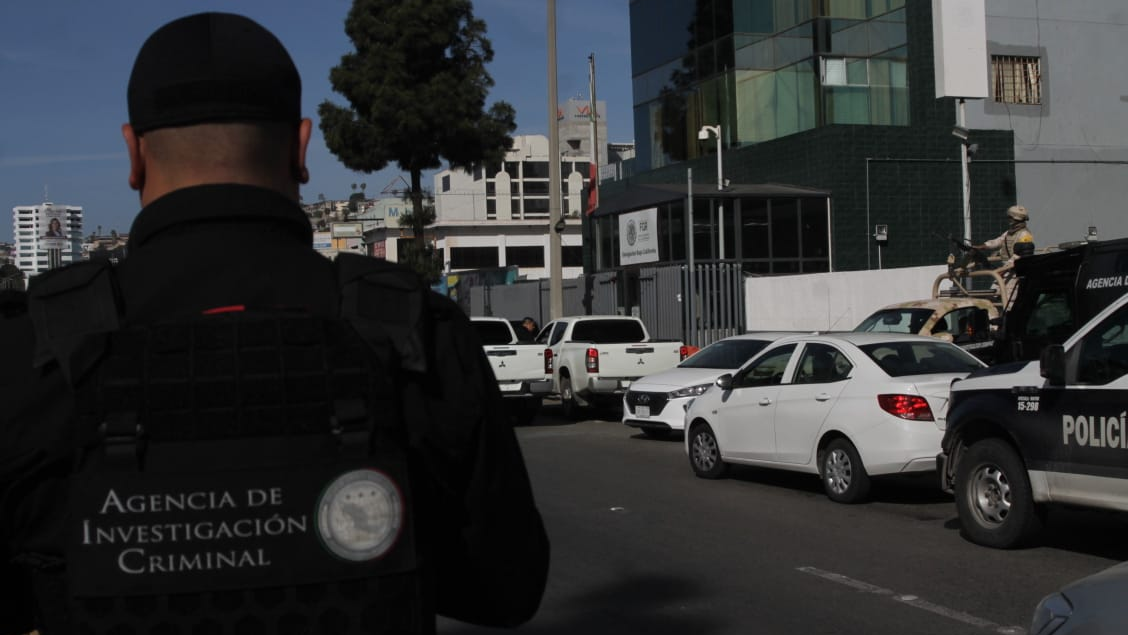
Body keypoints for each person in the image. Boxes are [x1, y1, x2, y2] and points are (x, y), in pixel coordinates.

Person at [0, 12, 547, 634]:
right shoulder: (415, 330)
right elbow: (507, 588)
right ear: (301, 147)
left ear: (133, 154)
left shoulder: (33, 350)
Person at [973, 204, 1035, 270]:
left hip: (1016, 270)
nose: (1008, 219)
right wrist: (983, 246)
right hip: (1008, 269)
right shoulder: (1009, 232)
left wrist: (1004, 269)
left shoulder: (1025, 235)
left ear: (1015, 218)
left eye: (1009, 217)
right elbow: (999, 241)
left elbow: (1018, 256)